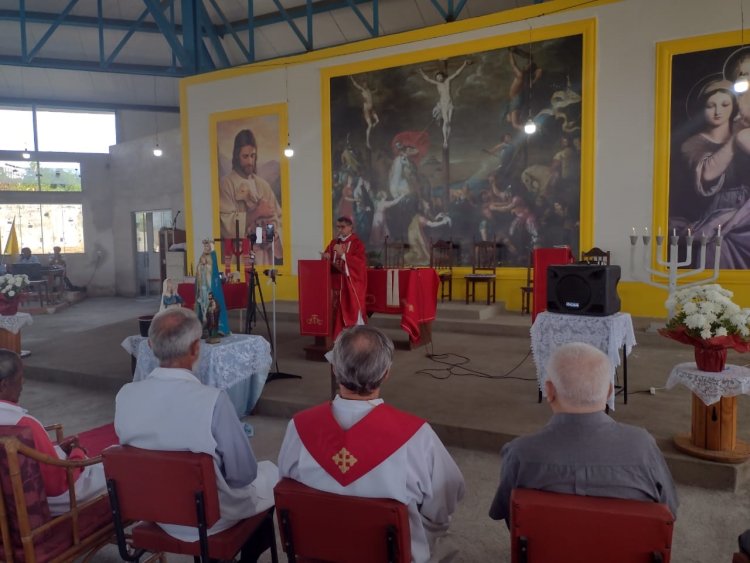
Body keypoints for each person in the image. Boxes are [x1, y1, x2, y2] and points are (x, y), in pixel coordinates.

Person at [278, 326, 465, 563]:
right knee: (444, 544)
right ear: (386, 373)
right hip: (392, 555)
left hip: (317, 554)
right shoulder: (417, 436)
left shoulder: (299, 427)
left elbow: (286, 485)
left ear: (334, 368)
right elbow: (445, 499)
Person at [115, 308, 278, 554]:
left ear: (149, 345)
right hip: (209, 518)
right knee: (272, 474)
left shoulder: (125, 396)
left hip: (154, 510)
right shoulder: (213, 401)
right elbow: (243, 474)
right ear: (195, 349)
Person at [489, 342, 678, 525]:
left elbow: (508, 514)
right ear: (610, 392)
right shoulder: (643, 446)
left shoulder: (520, 452)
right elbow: (669, 512)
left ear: (549, 391)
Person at [0, 348, 106, 515]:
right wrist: (76, 453)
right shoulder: (24, 425)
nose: (23, 383)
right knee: (116, 472)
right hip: (52, 502)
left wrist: (57, 449)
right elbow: (59, 487)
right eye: (19, 378)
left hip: (8, 505)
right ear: (4, 385)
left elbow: (27, 458)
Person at [678, 79, 750, 269]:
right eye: (711, 106)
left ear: (733, 107)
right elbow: (708, 174)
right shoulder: (693, 144)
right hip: (717, 217)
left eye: (725, 105)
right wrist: (735, 138)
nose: (718, 111)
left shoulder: (744, 135)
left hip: (745, 214)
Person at [219, 128, 282, 265]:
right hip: (239, 259)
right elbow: (227, 226)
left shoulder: (262, 185)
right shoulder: (227, 184)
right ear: (237, 156)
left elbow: (277, 219)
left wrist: (268, 237)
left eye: (253, 156)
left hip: (263, 258)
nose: (250, 161)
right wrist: (257, 212)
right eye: (245, 156)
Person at [322, 216, 367, 339]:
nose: (340, 230)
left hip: (350, 284)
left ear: (350, 227)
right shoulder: (334, 243)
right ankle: (337, 339)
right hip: (334, 283)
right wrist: (326, 256)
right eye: (338, 227)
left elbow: (360, 264)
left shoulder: (357, 243)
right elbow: (330, 260)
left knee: (351, 310)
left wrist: (343, 255)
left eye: (343, 227)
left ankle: (355, 339)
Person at [419, 60, 470, 148]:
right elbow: (427, 79)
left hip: (450, 104)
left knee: (449, 122)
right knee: (446, 122)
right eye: (437, 77)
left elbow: (457, 73)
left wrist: (464, 64)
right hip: (443, 104)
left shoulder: (448, 81)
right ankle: (445, 141)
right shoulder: (437, 84)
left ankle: (447, 138)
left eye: (440, 76)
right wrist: (421, 72)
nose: (439, 78)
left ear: (443, 76)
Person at [350, 75, 380, 149]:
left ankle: (374, 126)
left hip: (371, 108)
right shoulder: (362, 90)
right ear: (363, 85)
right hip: (366, 109)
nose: (365, 85)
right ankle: (367, 142)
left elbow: (372, 92)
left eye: (366, 84)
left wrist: (376, 90)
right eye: (364, 84)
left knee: (377, 120)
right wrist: (351, 78)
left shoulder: (368, 90)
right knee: (369, 125)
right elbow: (356, 85)